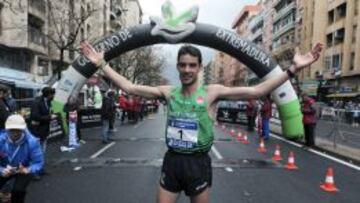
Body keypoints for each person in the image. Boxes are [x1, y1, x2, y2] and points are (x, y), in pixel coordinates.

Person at [81, 41, 323, 203]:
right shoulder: (168, 92)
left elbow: (257, 90)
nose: (186, 69)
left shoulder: (212, 92)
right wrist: (101, 64)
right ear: (177, 66)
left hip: (198, 163)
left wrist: (292, 69)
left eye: (192, 65)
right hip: (172, 161)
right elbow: (130, 86)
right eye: (183, 64)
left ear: (199, 67)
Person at [0, 115, 44, 203]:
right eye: (12, 130)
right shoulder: (1, 140)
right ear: (7, 129)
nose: (15, 133)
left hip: (22, 169)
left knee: (18, 191)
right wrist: (1, 170)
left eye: (18, 130)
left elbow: (39, 163)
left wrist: (29, 169)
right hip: (5, 168)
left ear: (23, 129)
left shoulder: (32, 142)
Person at [29, 87, 56, 152]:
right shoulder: (37, 102)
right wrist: (50, 117)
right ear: (48, 94)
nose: (53, 96)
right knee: (37, 149)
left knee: (43, 147)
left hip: (44, 129)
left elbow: (47, 111)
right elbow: (35, 116)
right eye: (52, 94)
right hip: (38, 130)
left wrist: (50, 113)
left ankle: (41, 160)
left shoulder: (48, 101)